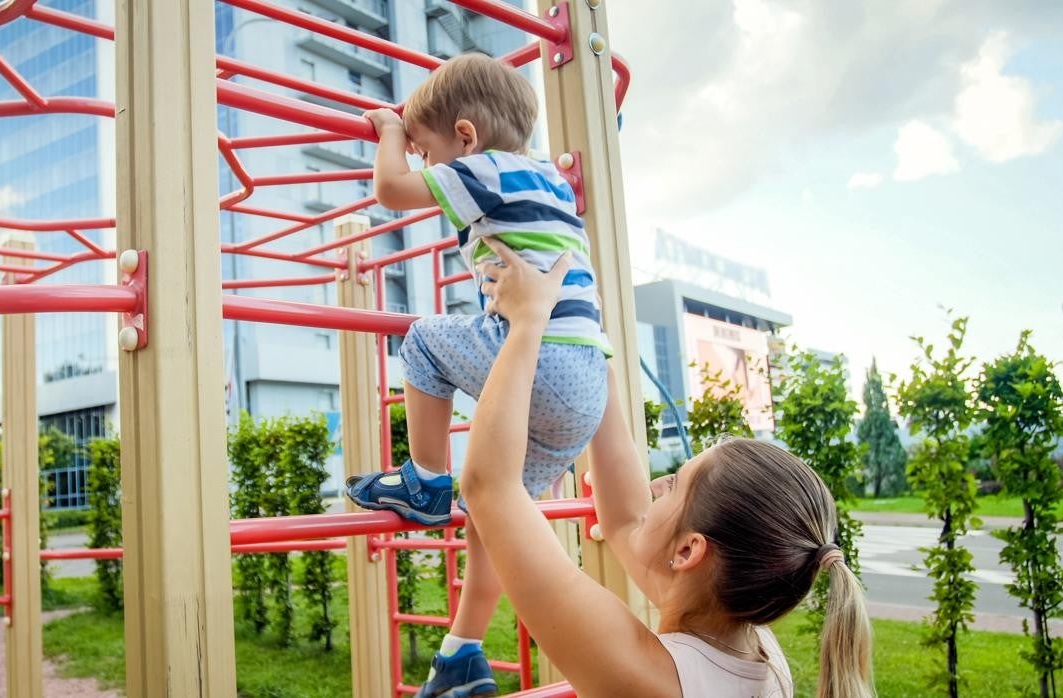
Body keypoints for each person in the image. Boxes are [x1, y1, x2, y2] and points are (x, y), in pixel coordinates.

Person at [460, 240, 875, 697]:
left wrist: (528, 322)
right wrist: (588, 346)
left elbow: (491, 487)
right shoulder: (758, 652)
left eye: (674, 484)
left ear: (689, 551)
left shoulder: (648, 679)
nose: (655, 484)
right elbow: (625, 521)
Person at [345, 54, 610, 696]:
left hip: (539, 357)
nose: (429, 167)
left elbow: (389, 191)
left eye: (429, 152)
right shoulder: (548, 178)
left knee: (424, 341)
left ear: (465, 136)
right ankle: (462, 653)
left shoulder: (482, 167)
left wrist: (390, 130)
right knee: (498, 509)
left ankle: (425, 480)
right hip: (587, 387)